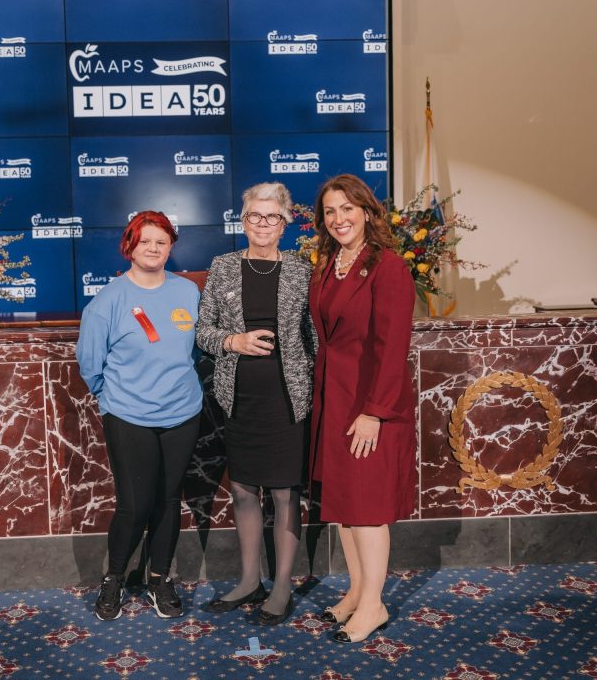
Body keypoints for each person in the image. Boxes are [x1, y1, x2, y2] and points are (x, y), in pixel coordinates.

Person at [195, 182, 317, 625]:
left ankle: (281, 585)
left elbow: (314, 339)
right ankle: (249, 580)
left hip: (288, 400)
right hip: (239, 397)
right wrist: (235, 340)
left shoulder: (303, 270)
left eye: (272, 217)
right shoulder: (224, 267)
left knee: (285, 493)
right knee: (244, 489)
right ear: (242, 222)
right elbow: (202, 332)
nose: (263, 224)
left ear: (285, 224)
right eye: (254, 217)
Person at [76, 210, 203, 621]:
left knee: (168, 500)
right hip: (129, 414)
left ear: (171, 248)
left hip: (183, 412)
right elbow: (90, 363)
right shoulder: (109, 300)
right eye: (145, 240)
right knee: (133, 504)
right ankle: (113, 578)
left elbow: (198, 350)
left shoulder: (187, 292)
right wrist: (113, 400)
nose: (153, 248)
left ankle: (159, 578)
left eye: (161, 242)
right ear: (130, 245)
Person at [307, 174, 416, 643]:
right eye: (330, 212)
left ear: (368, 212)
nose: (339, 219)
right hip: (336, 402)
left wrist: (374, 411)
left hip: (371, 406)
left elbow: (393, 348)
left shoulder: (388, 267)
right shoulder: (331, 264)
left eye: (347, 209)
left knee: (369, 509)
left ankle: (373, 605)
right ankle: (356, 592)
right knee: (347, 508)